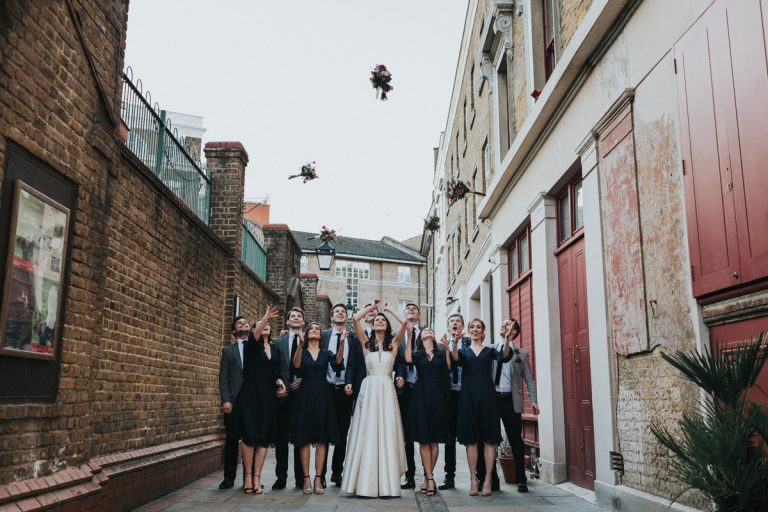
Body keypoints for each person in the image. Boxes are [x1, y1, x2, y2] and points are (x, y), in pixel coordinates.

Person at [342, 301, 409, 497]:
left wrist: (388, 309)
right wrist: (371, 309)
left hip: (387, 390)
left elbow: (405, 322)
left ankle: (387, 483)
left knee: (387, 430)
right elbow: (354, 319)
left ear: (387, 326)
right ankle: (365, 482)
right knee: (367, 431)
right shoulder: (365, 343)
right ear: (373, 324)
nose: (379, 321)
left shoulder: (394, 343)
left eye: (383, 320)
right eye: (377, 320)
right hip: (369, 390)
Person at [451, 318, 512, 497]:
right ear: (469, 331)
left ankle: (487, 480)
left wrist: (507, 339)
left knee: (489, 439)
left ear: (483, 332)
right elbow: (455, 359)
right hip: (468, 397)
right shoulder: (464, 351)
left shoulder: (491, 351)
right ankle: (473, 479)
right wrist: (454, 342)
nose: (475, 329)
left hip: (487, 396)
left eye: (478, 327)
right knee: (470, 439)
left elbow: (505, 357)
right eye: (472, 327)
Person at [290, 322, 345, 494]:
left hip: (323, 395)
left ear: (321, 336)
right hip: (304, 395)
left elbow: (337, 363)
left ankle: (318, 478)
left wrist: (342, 343)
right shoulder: (302, 351)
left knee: (322, 439)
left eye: (317, 329)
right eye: (311, 329)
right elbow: (296, 366)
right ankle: (306, 478)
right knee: (305, 438)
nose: (314, 330)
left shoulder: (326, 353)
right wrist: (299, 346)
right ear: (306, 335)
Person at [238, 305, 286, 494]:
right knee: (249, 436)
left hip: (268, 397)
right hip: (250, 395)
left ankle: (257, 478)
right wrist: (265, 317)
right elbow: (254, 336)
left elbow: (276, 372)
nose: (264, 326)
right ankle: (248, 476)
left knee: (264, 438)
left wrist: (280, 381)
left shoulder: (275, 350)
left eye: (266, 324)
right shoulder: (251, 346)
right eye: (259, 325)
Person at [403, 327, 451, 496]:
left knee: (434, 440)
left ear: (434, 335)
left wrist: (447, 348)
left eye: (430, 330)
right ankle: (430, 478)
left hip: (438, 396)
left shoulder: (440, 352)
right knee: (424, 440)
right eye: (424, 331)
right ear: (420, 337)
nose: (428, 331)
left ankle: (427, 478)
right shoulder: (417, 354)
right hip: (421, 396)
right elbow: (407, 359)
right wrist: (409, 337)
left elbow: (448, 368)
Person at [493, 319, 538, 493]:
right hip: (493, 399)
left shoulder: (521, 354)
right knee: (491, 440)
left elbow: (529, 379)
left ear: (514, 331)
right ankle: (493, 479)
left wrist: (533, 399)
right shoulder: (490, 350)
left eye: (507, 324)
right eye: (502, 323)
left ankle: (521, 479)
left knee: (516, 441)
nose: (502, 325)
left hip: (511, 401)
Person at [320, 304, 360, 488]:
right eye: (337, 311)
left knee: (342, 434)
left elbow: (354, 363)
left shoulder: (353, 338)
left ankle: (337, 472)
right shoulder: (323, 335)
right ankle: (320, 474)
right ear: (331, 316)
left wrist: (351, 383)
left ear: (347, 317)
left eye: (343, 312)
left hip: (345, 390)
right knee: (324, 432)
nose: (340, 313)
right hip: (326, 389)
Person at [273, 307, 306, 490]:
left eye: (299, 316)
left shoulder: (309, 340)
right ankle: (281, 477)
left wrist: (303, 381)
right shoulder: (279, 342)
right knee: (281, 439)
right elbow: (274, 368)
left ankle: (300, 479)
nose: (295, 318)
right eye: (292, 316)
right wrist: (278, 385)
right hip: (283, 395)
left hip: (302, 395)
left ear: (303, 321)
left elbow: (315, 364)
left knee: (300, 438)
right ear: (287, 321)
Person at [439, 313, 470, 491]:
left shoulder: (469, 343)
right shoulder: (440, 346)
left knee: (473, 436)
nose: (454, 324)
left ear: (462, 326)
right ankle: (449, 477)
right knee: (449, 439)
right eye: (451, 321)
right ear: (448, 326)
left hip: (466, 394)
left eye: (458, 321)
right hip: (449, 395)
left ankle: (481, 476)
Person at [218, 316, 248, 489]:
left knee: (249, 441)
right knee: (232, 441)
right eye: (239, 323)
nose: (243, 324)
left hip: (251, 404)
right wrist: (226, 400)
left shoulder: (255, 348)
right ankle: (228, 477)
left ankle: (248, 477)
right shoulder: (228, 351)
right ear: (234, 331)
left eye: (245, 322)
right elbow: (223, 379)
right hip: (234, 404)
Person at [394, 302, 422, 489]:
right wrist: (399, 377)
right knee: (407, 434)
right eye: (408, 309)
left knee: (425, 432)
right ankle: (410, 475)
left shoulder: (427, 333)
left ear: (419, 315)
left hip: (423, 388)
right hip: (404, 390)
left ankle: (429, 474)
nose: (411, 311)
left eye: (414, 309)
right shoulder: (398, 335)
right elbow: (396, 361)